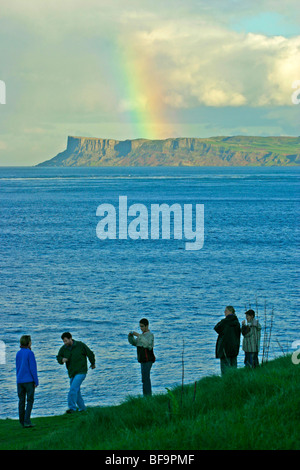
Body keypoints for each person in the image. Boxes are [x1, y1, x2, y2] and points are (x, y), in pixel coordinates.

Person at [56, 332, 95, 413]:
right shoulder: (64, 348)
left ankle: (72, 408)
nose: (65, 343)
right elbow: (58, 357)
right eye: (64, 341)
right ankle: (82, 408)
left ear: (71, 339)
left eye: (66, 341)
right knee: (76, 391)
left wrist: (93, 363)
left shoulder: (80, 345)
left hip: (81, 371)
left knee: (73, 389)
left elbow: (90, 353)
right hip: (71, 373)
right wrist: (62, 360)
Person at [16, 335, 39, 428]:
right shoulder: (30, 353)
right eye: (30, 341)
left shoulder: (18, 353)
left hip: (20, 380)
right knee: (30, 400)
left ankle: (22, 421)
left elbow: (17, 368)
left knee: (21, 401)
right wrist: (36, 381)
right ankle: (27, 421)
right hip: (29, 380)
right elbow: (33, 368)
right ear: (28, 342)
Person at [128, 318, 155, 396]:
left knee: (146, 378)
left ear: (147, 326)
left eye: (142, 326)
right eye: (140, 326)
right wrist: (130, 336)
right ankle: (146, 396)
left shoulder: (150, 335)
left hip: (148, 360)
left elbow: (148, 345)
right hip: (142, 360)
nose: (141, 328)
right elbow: (134, 343)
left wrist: (138, 335)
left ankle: (148, 396)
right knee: (144, 379)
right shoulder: (141, 336)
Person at [214, 306, 241, 375]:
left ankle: (226, 382)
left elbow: (216, 328)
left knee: (225, 368)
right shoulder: (237, 322)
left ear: (230, 311)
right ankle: (234, 380)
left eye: (226, 311)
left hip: (224, 348)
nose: (224, 312)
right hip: (234, 347)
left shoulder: (224, 322)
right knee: (233, 366)